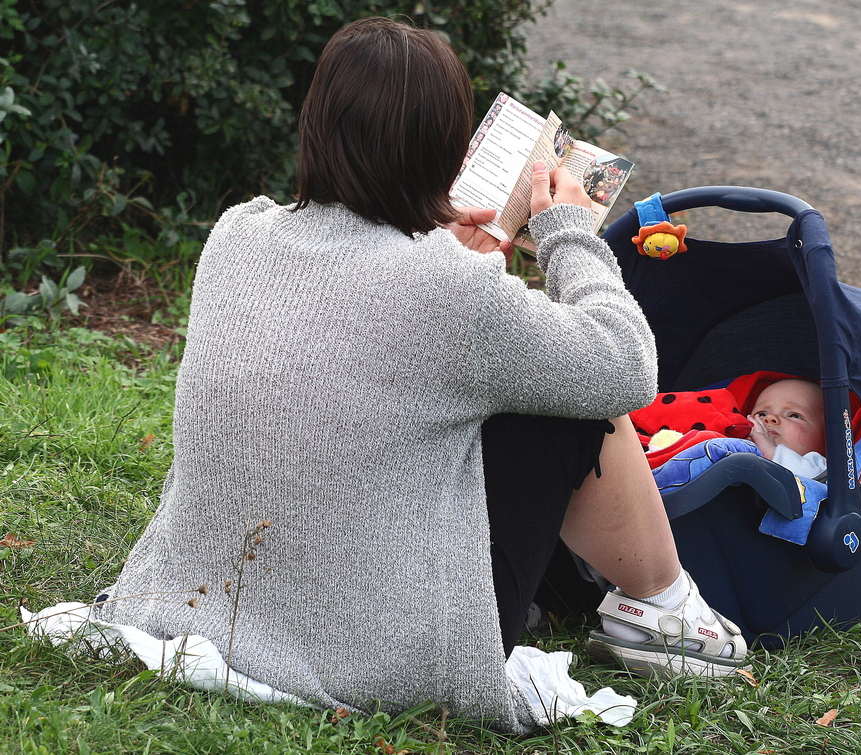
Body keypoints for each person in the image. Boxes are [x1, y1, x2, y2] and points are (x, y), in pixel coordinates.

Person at [96, 17, 745, 734]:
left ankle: (618, 601)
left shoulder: (236, 235)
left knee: (517, 377)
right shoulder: (445, 290)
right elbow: (625, 366)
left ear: (316, 124)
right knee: (579, 403)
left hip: (211, 596)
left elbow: (365, 329)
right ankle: (665, 610)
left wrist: (444, 252)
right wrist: (563, 230)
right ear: (447, 149)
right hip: (381, 650)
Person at [746, 378, 827, 479]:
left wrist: (771, 452)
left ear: (825, 439)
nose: (770, 418)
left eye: (794, 415)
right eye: (762, 414)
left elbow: (810, 482)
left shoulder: (821, 466)